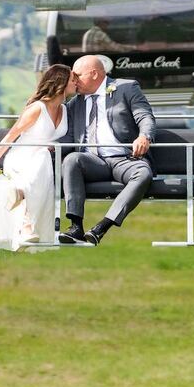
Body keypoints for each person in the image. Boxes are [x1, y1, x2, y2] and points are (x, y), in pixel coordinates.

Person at [58, 55, 156, 246]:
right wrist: (46, 149)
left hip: (125, 158)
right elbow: (68, 138)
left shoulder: (126, 88)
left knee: (143, 173)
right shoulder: (74, 103)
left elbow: (145, 117)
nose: (74, 80)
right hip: (93, 161)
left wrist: (144, 136)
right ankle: (75, 226)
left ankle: (103, 226)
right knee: (71, 159)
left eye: (77, 75)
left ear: (94, 74)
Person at [0, 64, 74, 252]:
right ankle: (26, 223)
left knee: (43, 156)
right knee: (42, 157)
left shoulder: (65, 109)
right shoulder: (37, 108)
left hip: (44, 162)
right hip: (21, 159)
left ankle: (21, 200)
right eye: (73, 79)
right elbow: (11, 136)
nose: (76, 82)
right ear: (61, 83)